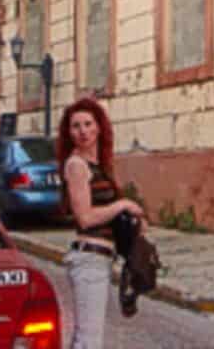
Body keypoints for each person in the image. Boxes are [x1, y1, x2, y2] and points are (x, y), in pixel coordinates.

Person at [58, 97, 144, 348]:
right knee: (89, 341)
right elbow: (85, 218)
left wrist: (134, 223)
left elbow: (105, 211)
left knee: (87, 338)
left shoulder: (98, 165)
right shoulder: (76, 165)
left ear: (99, 127)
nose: (83, 131)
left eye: (88, 124)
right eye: (76, 126)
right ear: (69, 132)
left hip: (101, 258)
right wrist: (123, 205)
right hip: (88, 260)